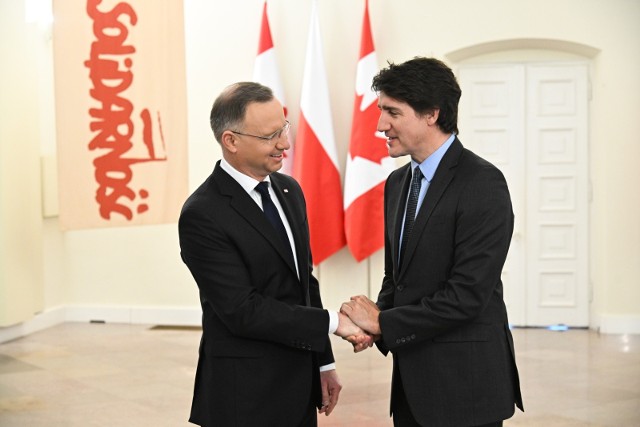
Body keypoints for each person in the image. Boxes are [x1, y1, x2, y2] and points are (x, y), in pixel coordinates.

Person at [341, 57, 524, 427]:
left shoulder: (483, 183)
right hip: (411, 385)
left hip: (465, 386)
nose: (380, 125)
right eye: (381, 111)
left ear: (431, 114)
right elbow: (397, 279)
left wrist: (382, 322)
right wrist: (374, 325)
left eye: (392, 112)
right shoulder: (397, 184)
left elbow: (467, 296)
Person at [179, 81, 366, 427]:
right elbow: (242, 310)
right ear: (230, 141)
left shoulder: (288, 189)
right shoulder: (202, 214)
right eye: (269, 136)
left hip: (298, 384)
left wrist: (323, 363)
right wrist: (334, 322)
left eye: (283, 128)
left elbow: (304, 283)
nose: (285, 144)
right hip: (243, 395)